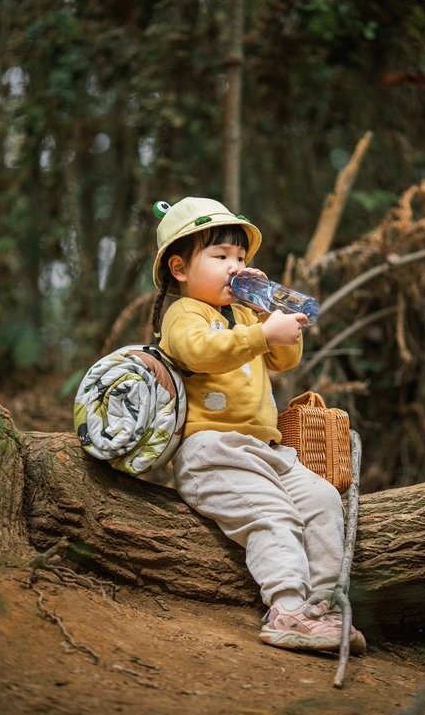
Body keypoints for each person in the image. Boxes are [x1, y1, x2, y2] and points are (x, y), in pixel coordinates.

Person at [151, 196, 366, 654]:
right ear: (180, 268)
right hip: (213, 452)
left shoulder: (247, 314)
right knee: (273, 516)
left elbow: (284, 359)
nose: (235, 267)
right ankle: (286, 607)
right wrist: (260, 334)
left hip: (268, 452)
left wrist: (270, 314)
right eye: (221, 256)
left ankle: (320, 607)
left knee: (324, 500)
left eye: (241, 257)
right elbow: (200, 352)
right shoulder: (184, 314)